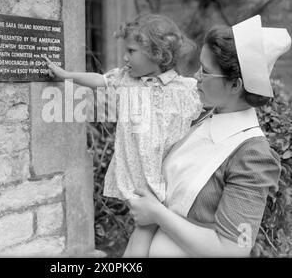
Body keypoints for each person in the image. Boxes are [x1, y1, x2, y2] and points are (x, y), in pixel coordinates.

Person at [126, 15, 291, 257]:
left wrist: (157, 214)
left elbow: (236, 249)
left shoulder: (253, 157)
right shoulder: (203, 118)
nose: (195, 77)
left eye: (206, 71)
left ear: (236, 85)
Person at [45, 14, 202, 256]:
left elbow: (204, 111)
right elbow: (100, 80)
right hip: (137, 173)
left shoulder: (184, 88)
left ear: (157, 54)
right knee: (146, 225)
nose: (125, 57)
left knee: (150, 227)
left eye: (131, 51)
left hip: (167, 175)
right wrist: (67, 76)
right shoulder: (126, 80)